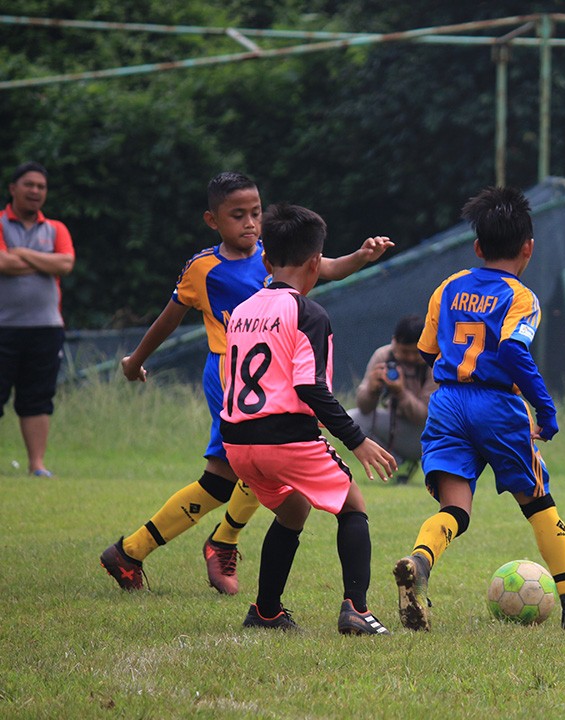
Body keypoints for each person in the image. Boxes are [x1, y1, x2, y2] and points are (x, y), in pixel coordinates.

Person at [100, 171, 393, 594]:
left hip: (264, 378)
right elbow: (169, 318)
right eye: (238, 215)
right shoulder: (204, 267)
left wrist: (361, 256)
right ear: (212, 220)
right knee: (253, 461)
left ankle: (136, 550)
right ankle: (215, 542)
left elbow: (325, 267)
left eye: (255, 213)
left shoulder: (269, 255)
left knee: (231, 476)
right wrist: (135, 361)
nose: (250, 223)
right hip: (229, 376)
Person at [393, 186, 565, 632]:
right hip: (497, 405)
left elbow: (428, 352)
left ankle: (420, 560)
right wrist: (545, 411)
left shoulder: (449, 287)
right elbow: (513, 350)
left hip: (448, 403)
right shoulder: (522, 297)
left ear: (477, 247)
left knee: (456, 509)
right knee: (538, 502)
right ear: (528, 248)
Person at [221, 203, 396, 633]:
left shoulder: (243, 311)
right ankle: (356, 608)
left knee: (293, 509)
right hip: (286, 439)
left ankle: (265, 612)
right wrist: (357, 439)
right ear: (317, 263)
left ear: (265, 260)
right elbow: (310, 388)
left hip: (237, 443)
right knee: (353, 506)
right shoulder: (308, 313)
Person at [0, 162, 75, 479]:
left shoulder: (56, 229)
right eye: (28, 185)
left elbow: (66, 263)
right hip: (3, 327)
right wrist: (45, 262)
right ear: (13, 188)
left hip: (46, 328)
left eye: (41, 187)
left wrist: (21, 254)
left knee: (38, 398)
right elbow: (3, 263)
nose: (35, 191)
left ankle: (37, 465)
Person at [348, 314, 437, 483]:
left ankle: (433, 469)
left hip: (429, 436)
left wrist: (400, 392)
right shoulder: (383, 356)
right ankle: (396, 463)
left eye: (415, 353)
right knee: (352, 419)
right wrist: (372, 391)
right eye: (405, 352)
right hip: (395, 428)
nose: (410, 358)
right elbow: (364, 408)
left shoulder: (433, 361)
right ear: (394, 342)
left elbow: (424, 417)